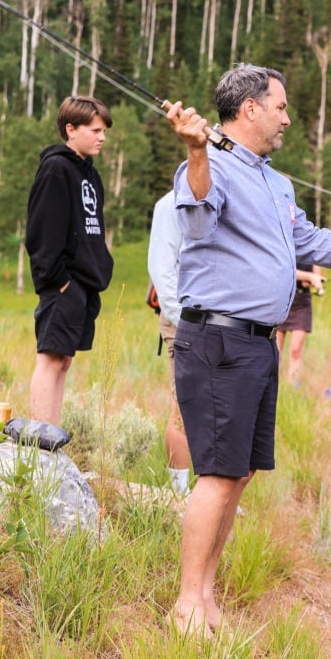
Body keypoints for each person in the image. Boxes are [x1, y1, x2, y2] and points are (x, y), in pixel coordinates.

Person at [165, 63, 331, 635]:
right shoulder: (209, 165)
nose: (287, 117)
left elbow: (308, 241)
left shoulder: (276, 182)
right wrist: (195, 151)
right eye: (280, 106)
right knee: (215, 473)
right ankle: (187, 604)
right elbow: (195, 207)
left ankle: (207, 595)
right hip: (217, 340)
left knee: (238, 474)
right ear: (250, 109)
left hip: (260, 347)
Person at [25, 95, 114, 426]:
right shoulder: (56, 169)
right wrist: (57, 278)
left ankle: (52, 437)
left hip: (84, 283)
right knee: (49, 358)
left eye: (104, 130)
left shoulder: (90, 174)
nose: (102, 137)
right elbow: (40, 230)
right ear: (70, 129)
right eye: (95, 130)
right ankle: (40, 443)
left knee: (63, 360)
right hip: (63, 283)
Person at [147, 189, 192, 498]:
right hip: (182, 321)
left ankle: (210, 494)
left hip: (219, 322)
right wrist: (183, 319)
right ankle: (178, 494)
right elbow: (162, 271)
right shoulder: (171, 204)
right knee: (184, 406)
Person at [275, 265, 323, 385]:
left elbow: (316, 277)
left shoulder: (313, 251)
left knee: (296, 349)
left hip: (302, 302)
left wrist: (312, 282)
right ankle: (275, 382)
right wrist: (309, 276)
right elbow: (285, 269)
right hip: (282, 300)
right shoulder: (286, 247)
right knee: (275, 349)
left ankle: (293, 385)